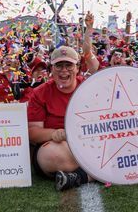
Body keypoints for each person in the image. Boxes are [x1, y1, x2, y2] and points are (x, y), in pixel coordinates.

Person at [27, 46, 90, 191]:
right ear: (51, 69)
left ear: (78, 68)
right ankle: (98, 171)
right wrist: (54, 133)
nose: (64, 70)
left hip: (89, 143)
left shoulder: (89, 86)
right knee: (50, 155)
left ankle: (80, 177)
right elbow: (32, 131)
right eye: (59, 66)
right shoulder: (40, 93)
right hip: (58, 145)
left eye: (69, 65)